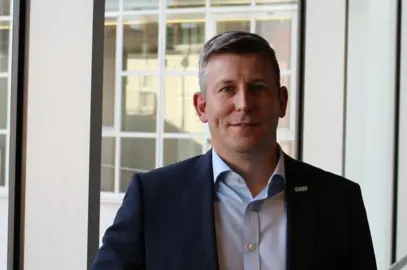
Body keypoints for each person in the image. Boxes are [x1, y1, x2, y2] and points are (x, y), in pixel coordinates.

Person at [92, 31, 377, 270]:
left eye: (258, 88)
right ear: (202, 107)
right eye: (227, 89)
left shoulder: (339, 201)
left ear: (282, 101)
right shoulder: (153, 198)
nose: (243, 103)